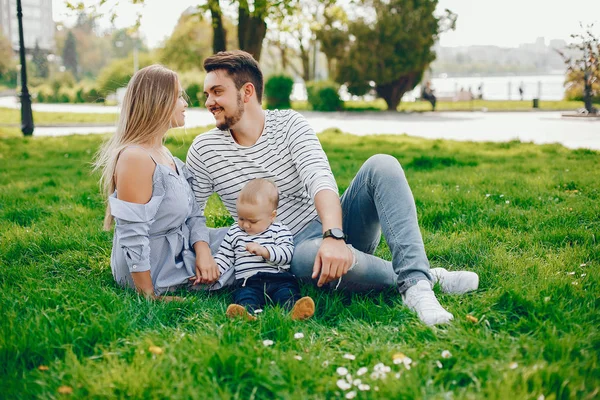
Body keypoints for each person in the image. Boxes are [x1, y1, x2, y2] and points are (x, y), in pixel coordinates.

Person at [187, 51, 479, 326]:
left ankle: (417, 287)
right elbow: (193, 214)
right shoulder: (204, 149)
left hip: (331, 225)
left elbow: (320, 179)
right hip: (289, 251)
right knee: (307, 256)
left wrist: (333, 235)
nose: (209, 101)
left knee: (383, 164)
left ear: (247, 92)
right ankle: (425, 277)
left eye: (217, 91)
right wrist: (202, 252)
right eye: (207, 94)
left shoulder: (289, 123)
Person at [94, 64, 221, 300]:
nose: (185, 104)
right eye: (178, 96)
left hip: (179, 248)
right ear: (159, 102)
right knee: (245, 254)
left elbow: (193, 213)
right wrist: (149, 295)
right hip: (153, 268)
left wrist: (203, 250)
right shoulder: (135, 158)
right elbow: (132, 234)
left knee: (244, 238)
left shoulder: (163, 153)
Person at [214, 178, 315, 321]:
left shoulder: (279, 230)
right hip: (249, 281)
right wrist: (215, 269)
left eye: (252, 221)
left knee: (286, 294)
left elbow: (287, 254)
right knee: (246, 296)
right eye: (241, 218)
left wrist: (265, 252)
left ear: (272, 216)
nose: (246, 225)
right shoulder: (234, 232)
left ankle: (294, 311)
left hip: (279, 278)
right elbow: (225, 255)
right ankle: (246, 314)